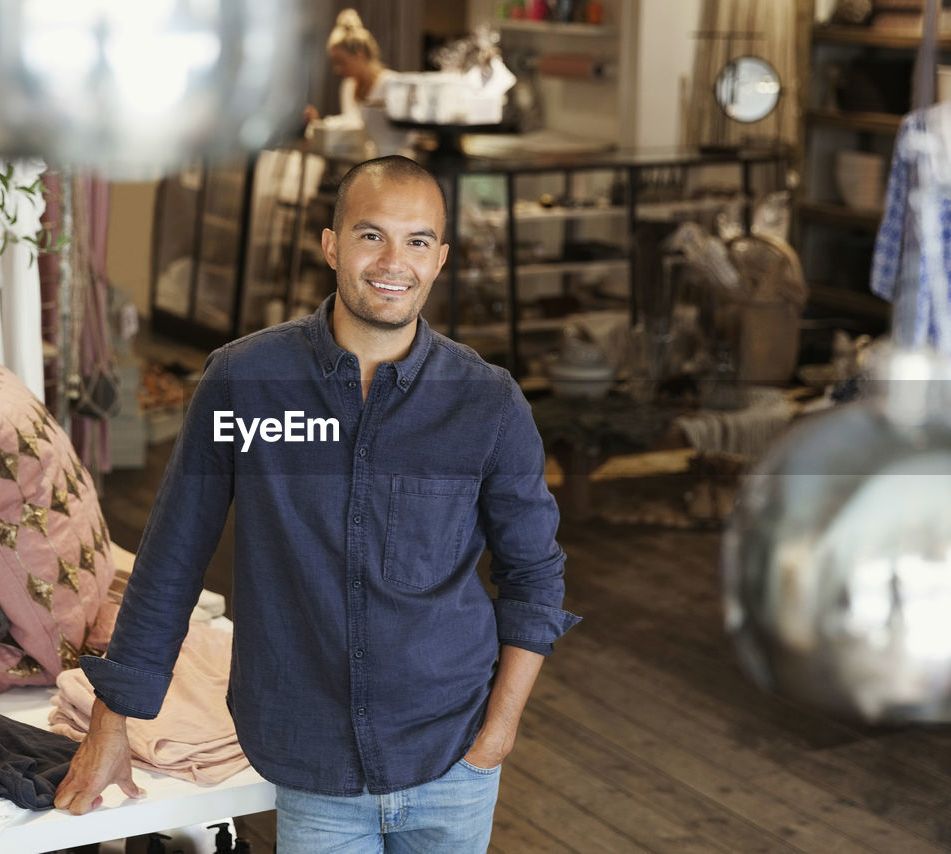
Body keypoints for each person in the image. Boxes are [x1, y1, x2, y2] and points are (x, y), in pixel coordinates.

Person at [53, 155, 581, 852]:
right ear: (331, 245)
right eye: (371, 236)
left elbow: (534, 577)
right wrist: (109, 725)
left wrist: (500, 728)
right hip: (313, 763)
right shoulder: (245, 382)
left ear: (440, 259)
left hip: (454, 754)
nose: (394, 261)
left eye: (418, 241)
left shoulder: (487, 402)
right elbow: (170, 562)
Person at [304, 9, 409, 157]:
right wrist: (319, 124)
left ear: (359, 55)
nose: (337, 69)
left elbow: (406, 137)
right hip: (358, 162)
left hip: (392, 161)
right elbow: (350, 123)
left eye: (341, 62)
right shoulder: (348, 86)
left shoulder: (391, 84)